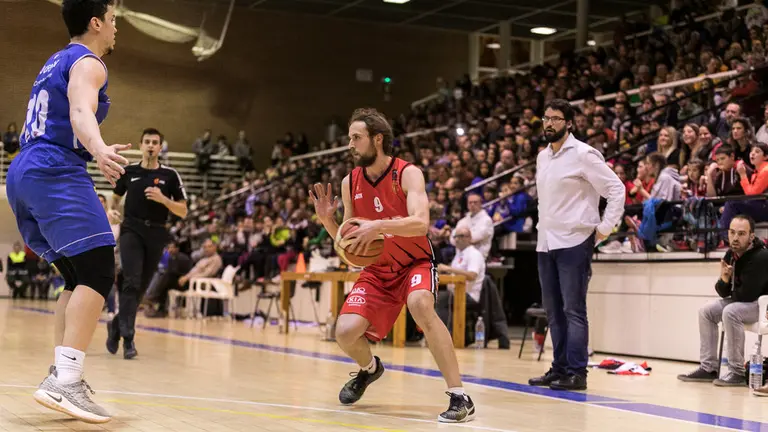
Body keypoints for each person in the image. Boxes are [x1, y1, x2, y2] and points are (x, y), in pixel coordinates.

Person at [309, 108, 475, 423]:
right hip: (377, 271)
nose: (351, 145)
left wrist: (378, 226)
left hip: (415, 262)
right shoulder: (350, 182)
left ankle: (459, 396)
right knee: (344, 333)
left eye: (356, 138)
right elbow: (350, 245)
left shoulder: (407, 173)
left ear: (378, 139)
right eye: (349, 138)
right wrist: (328, 221)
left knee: (420, 304)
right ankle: (369, 370)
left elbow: (421, 223)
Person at [5, 0, 128, 423]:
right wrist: (98, 149)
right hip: (54, 167)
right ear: (96, 22)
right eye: (113, 21)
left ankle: (62, 373)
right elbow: (79, 110)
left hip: (23, 170)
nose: (116, 29)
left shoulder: (55, 59)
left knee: (76, 276)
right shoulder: (89, 62)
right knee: (98, 269)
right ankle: (67, 380)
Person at [528, 99, 625, 391]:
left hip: (575, 241)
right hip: (546, 242)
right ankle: (558, 369)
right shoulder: (543, 157)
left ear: (569, 123)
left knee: (573, 310)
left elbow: (616, 189)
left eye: (556, 119)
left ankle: (577, 372)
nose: (549, 123)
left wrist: (605, 228)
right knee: (553, 311)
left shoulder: (584, 154)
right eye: (546, 118)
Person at [107, 128, 188, 358]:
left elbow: (183, 211)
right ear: (141, 146)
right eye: (147, 142)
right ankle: (128, 340)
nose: (151, 145)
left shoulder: (170, 176)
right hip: (131, 230)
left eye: (155, 142)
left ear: (160, 147)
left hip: (157, 233)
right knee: (131, 281)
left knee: (141, 287)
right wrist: (112, 211)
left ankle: (115, 325)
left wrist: (164, 199)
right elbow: (115, 198)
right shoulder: (129, 171)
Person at [677, 215, 768, 386]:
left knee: (731, 312)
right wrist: (725, 279)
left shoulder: (761, 257)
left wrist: (730, 284)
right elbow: (723, 292)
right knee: (707, 311)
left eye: (741, 234)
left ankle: (737, 373)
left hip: (763, 305)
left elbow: (747, 295)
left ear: (751, 236)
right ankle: (708, 368)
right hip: (744, 301)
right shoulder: (730, 254)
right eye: (732, 232)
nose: (735, 238)